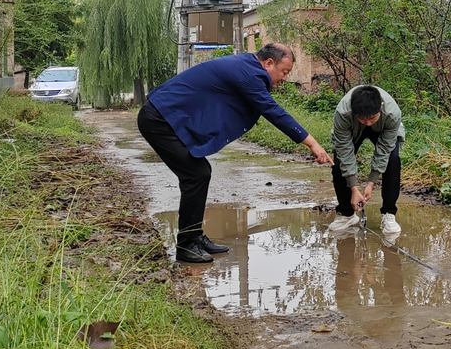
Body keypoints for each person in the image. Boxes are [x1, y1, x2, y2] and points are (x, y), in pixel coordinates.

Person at [138, 43, 331, 263]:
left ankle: (193, 236)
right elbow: (273, 111)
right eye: (284, 72)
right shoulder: (249, 74)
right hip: (158, 119)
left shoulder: (246, 67)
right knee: (196, 174)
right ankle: (186, 246)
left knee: (199, 173)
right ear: (269, 63)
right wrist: (312, 143)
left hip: (165, 117)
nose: (285, 78)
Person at [327, 84, 405, 238]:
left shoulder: (392, 113)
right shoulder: (343, 113)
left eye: (371, 118)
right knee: (338, 163)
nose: (368, 123)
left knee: (393, 159)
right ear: (353, 111)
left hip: (384, 129)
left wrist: (371, 182)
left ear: (381, 107)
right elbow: (344, 152)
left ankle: (389, 213)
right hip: (352, 130)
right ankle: (346, 214)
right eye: (362, 118)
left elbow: (384, 151)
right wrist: (354, 189)